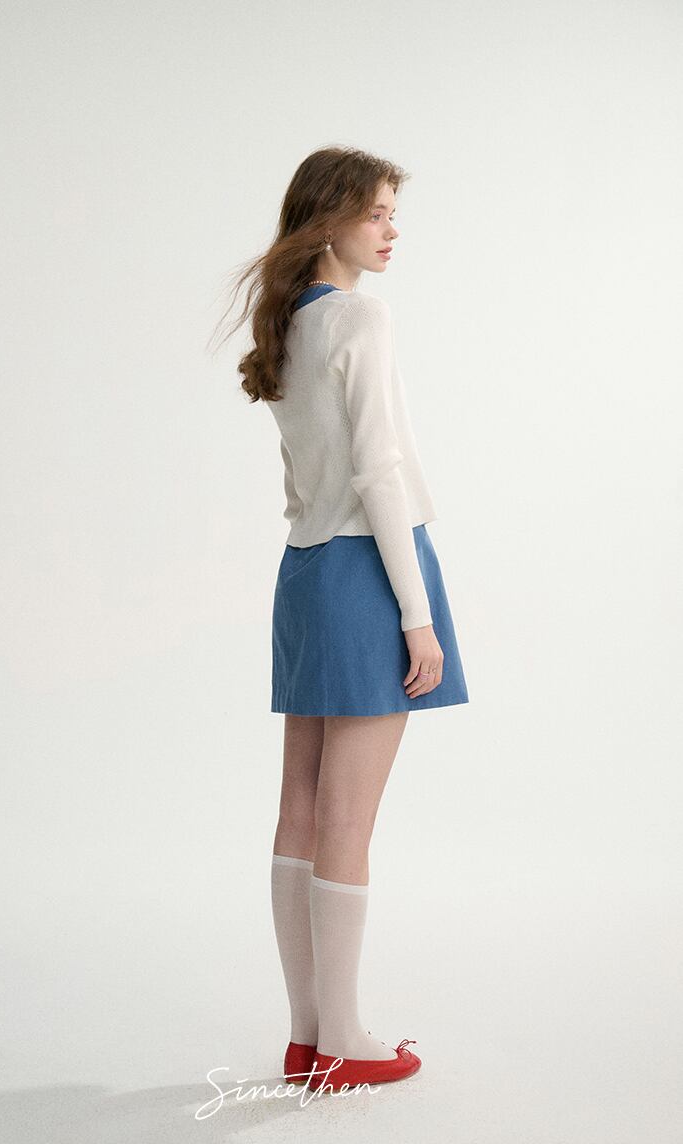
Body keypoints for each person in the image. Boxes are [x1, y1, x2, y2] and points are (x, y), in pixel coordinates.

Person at [218, 146, 469, 1094]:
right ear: (328, 221)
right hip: (368, 567)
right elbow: (379, 472)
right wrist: (417, 613)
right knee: (348, 818)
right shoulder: (362, 316)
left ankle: (307, 1036)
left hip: (306, 570)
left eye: (393, 212)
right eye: (377, 213)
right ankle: (346, 1039)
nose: (392, 230)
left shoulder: (286, 321)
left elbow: (306, 478)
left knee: (301, 807)